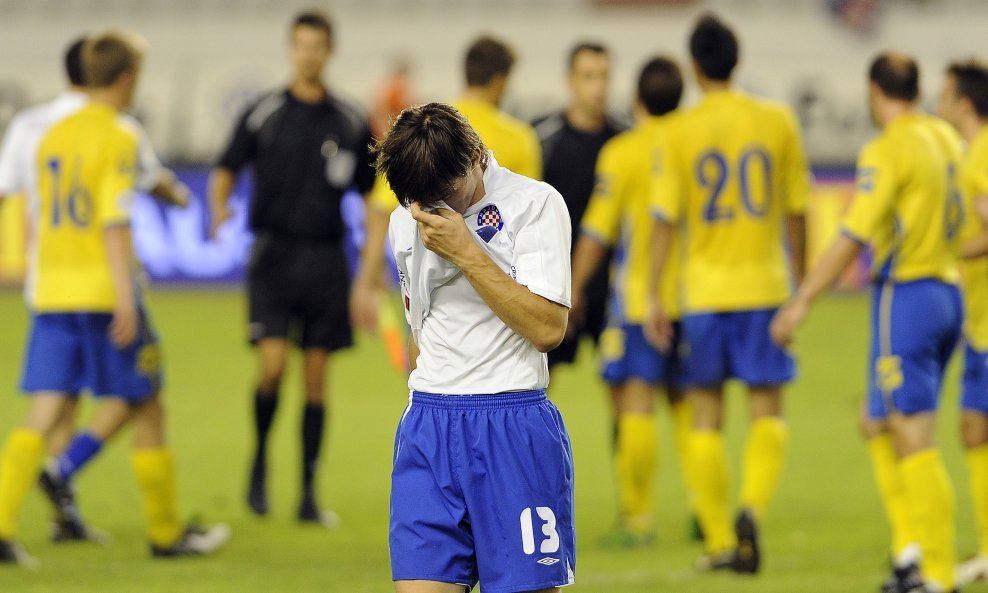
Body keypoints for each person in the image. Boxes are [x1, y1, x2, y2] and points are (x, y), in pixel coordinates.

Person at [0, 30, 229, 567]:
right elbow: (113, 220)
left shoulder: (49, 136)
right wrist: (126, 297)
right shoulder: (120, 135)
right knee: (148, 404)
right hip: (104, 291)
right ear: (126, 80)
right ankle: (166, 532)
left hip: (52, 290)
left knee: (45, 409)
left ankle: (4, 525)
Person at [772, 52, 964, 593]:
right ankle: (909, 553)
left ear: (873, 90)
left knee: (912, 435)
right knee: (875, 420)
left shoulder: (888, 147)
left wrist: (803, 298)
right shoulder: (946, 137)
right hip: (948, 291)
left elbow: (854, 233)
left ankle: (939, 574)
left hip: (908, 294)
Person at [377, 102, 575, 593]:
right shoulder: (407, 219)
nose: (431, 211)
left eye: (444, 195)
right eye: (418, 202)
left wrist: (468, 252)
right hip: (429, 425)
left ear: (475, 157)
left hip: (512, 426)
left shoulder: (536, 205)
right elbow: (418, 328)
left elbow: (549, 327)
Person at [645, 13, 810, 573]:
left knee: (705, 418)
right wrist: (802, 282)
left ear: (694, 66)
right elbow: (796, 210)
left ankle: (720, 542)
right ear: (736, 60)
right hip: (765, 287)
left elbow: (664, 221)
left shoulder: (680, 130)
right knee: (768, 413)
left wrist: (651, 296)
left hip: (706, 292)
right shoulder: (776, 120)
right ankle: (753, 510)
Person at [207, 9, 376, 525]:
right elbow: (225, 167)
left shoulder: (349, 119)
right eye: (301, 44)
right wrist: (218, 208)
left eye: (317, 45)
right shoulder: (264, 112)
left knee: (318, 377)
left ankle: (307, 492)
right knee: (274, 366)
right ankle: (259, 461)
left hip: (326, 258)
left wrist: (369, 266)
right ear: (291, 49)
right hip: (274, 256)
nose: (309, 53)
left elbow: (373, 196)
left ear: (329, 51)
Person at [570, 56, 692, 547]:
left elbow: (598, 232)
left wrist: (574, 286)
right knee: (691, 406)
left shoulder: (622, 152)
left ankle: (638, 519)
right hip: (696, 297)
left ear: (637, 99)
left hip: (643, 298)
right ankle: (706, 509)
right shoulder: (694, 142)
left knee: (636, 405)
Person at [356, 34, 542, 333]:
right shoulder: (519, 138)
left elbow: (381, 208)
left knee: (426, 372)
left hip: (429, 284)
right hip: (493, 288)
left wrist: (366, 281)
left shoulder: (424, 129)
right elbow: (529, 221)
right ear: (499, 80)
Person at [534, 43, 625, 371]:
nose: (598, 87)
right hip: (552, 285)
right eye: (588, 76)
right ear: (569, 80)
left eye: (603, 76)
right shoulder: (543, 139)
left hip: (613, 288)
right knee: (537, 382)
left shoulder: (625, 140)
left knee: (626, 388)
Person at [936, 59, 988, 588]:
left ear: (964, 104)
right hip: (979, 322)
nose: (938, 103)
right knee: (974, 429)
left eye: (945, 95)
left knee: (976, 428)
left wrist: (945, 252)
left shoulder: (980, 155)